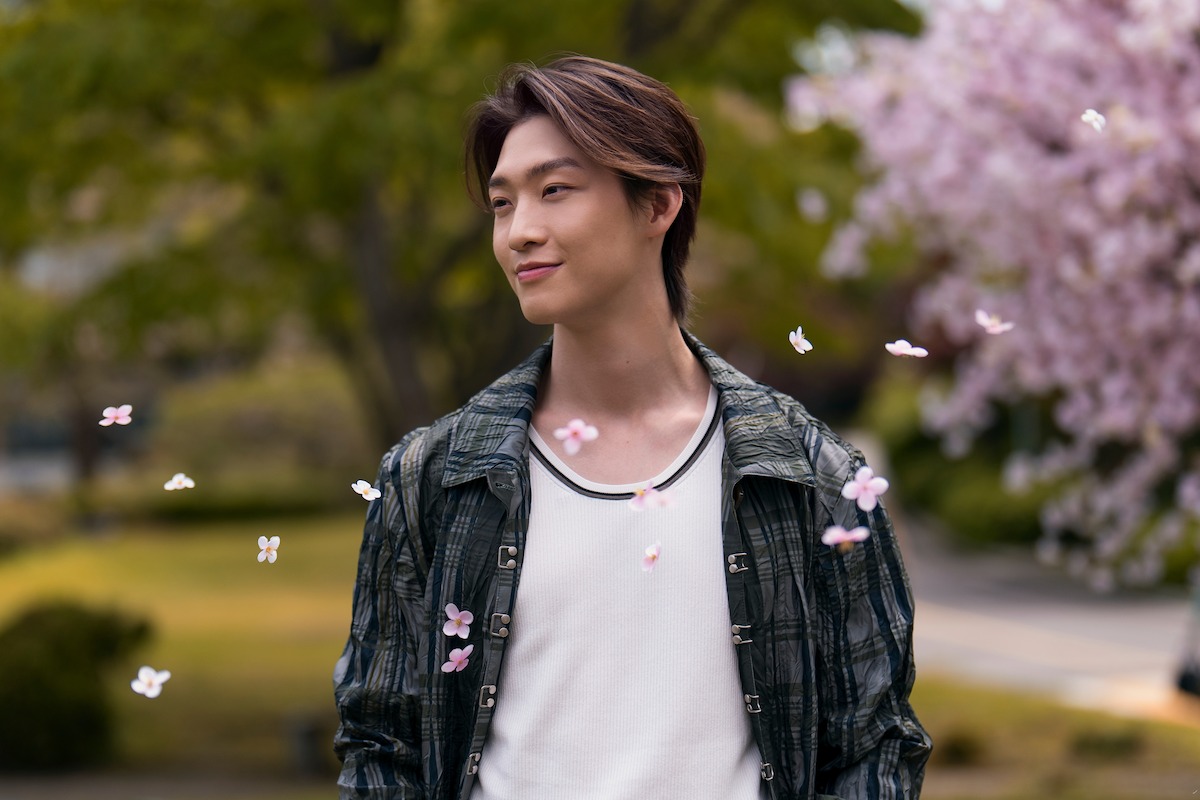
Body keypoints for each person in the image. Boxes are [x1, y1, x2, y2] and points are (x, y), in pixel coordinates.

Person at [333, 54, 931, 800]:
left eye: (554, 191)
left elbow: (875, 746)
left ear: (658, 205)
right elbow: (380, 746)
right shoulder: (434, 477)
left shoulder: (811, 475)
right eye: (502, 203)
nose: (520, 231)